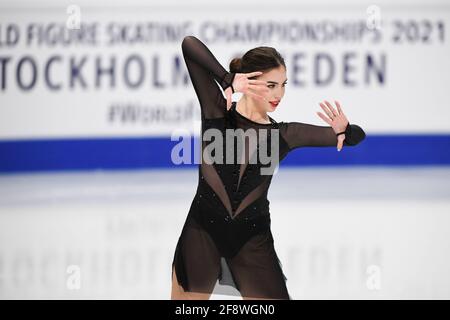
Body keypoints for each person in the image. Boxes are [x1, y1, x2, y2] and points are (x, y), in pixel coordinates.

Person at [171, 35, 366, 300]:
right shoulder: (217, 111)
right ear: (249, 81)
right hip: (201, 234)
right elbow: (189, 45)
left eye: (283, 85)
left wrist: (347, 129)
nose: (279, 94)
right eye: (271, 85)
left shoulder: (284, 134)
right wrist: (227, 80)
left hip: (252, 241)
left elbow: (354, 138)